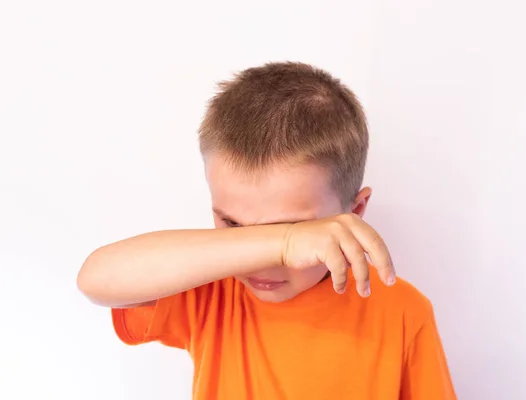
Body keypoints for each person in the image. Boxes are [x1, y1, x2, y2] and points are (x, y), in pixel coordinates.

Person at [77, 62, 456, 399]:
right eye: (232, 224)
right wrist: (285, 240)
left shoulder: (404, 313)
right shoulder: (211, 288)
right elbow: (95, 278)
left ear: (354, 212)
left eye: (289, 228)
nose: (263, 264)